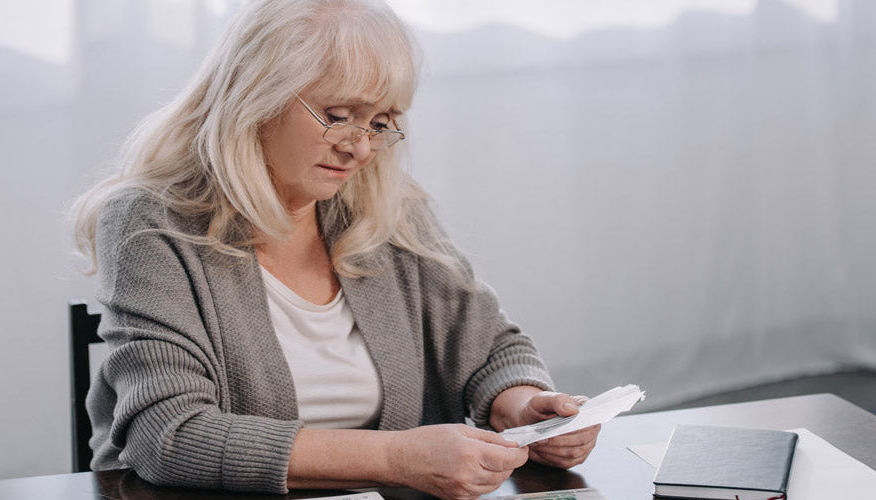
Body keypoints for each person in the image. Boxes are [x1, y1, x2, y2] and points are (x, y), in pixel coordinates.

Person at [70, 0, 599, 498]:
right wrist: (395, 458)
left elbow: (488, 349)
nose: (360, 147)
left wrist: (525, 408)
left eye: (380, 123)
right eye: (339, 114)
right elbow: (169, 435)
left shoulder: (385, 207)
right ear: (257, 97)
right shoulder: (149, 221)